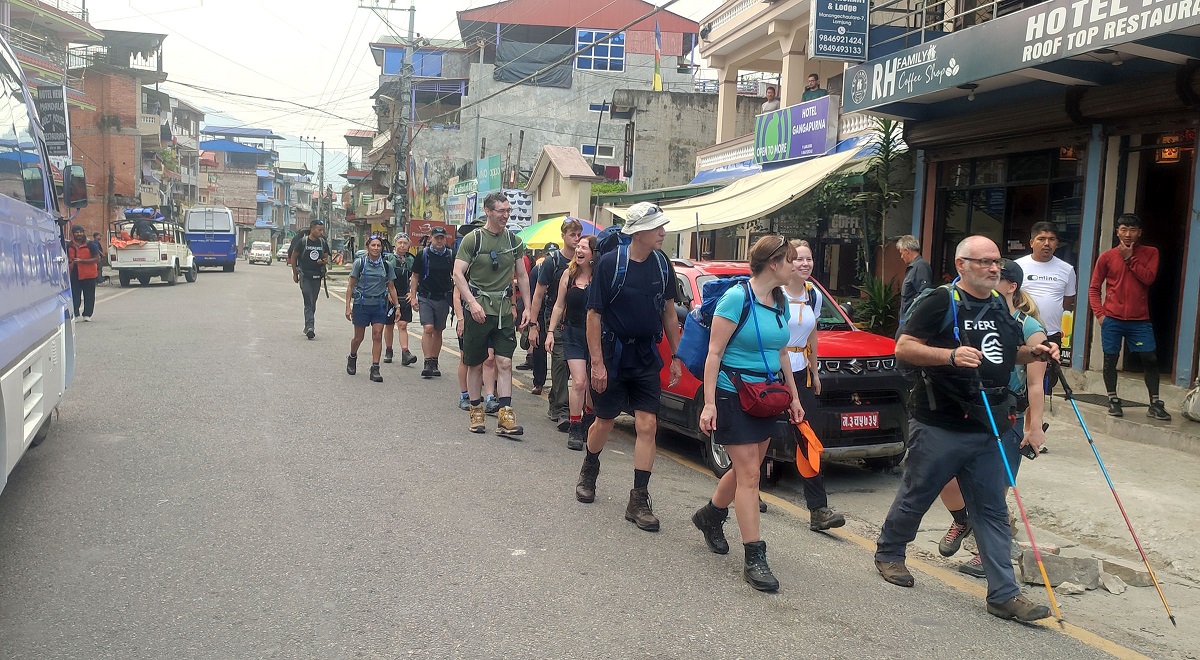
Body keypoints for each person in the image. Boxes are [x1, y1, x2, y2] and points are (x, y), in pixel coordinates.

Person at [875, 235, 1058, 623]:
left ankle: (1004, 594)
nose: (995, 268)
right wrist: (950, 355)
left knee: (990, 508)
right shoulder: (940, 300)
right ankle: (890, 552)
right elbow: (903, 348)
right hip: (940, 419)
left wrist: (1034, 352)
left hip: (989, 421)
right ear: (962, 265)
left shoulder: (998, 305)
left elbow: (1007, 353)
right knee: (917, 493)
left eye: (997, 262)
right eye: (985, 262)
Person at [691, 236, 802, 591]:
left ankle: (710, 516)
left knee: (744, 472)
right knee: (751, 474)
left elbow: (782, 353)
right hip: (732, 393)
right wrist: (709, 404)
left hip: (766, 398)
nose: (796, 266)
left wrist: (794, 398)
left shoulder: (780, 300)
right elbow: (714, 353)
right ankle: (755, 556)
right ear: (773, 263)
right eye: (791, 260)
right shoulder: (737, 298)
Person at [574, 202, 682, 532]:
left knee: (647, 424)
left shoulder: (663, 264)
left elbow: (668, 312)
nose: (663, 231)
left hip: (646, 357)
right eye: (656, 226)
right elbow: (594, 316)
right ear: (637, 231)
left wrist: (677, 356)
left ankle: (638, 499)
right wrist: (597, 363)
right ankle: (590, 466)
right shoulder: (609, 264)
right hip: (613, 355)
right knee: (605, 422)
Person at [938, 259, 1049, 578]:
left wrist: (1034, 428)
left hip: (1009, 416)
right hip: (970, 409)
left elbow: (1034, 384)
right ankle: (962, 520)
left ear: (1011, 286)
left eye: (995, 278)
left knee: (993, 490)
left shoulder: (1029, 327)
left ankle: (989, 556)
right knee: (944, 476)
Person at [453, 192, 531, 437]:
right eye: (501, 211)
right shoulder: (472, 240)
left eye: (508, 211)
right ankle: (476, 411)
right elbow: (457, 274)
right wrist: (472, 304)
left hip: (503, 311)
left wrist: (528, 307)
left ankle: (505, 416)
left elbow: (523, 276)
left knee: (505, 362)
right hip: (478, 310)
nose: (506, 215)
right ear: (488, 211)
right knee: (475, 362)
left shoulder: (514, 241)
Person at [783, 240, 846, 532]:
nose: (805, 264)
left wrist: (815, 372)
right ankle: (746, 490)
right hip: (772, 374)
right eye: (799, 259)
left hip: (801, 374)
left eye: (809, 259)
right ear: (787, 262)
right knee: (760, 436)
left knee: (808, 438)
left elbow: (812, 335)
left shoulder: (813, 295)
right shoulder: (775, 294)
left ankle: (818, 510)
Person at [1088, 213, 1170, 421]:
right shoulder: (1106, 256)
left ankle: (1154, 402)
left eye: (1132, 230)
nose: (1127, 234)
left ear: (1139, 233)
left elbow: (1149, 278)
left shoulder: (1151, 253)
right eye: (1123, 230)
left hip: (1140, 320)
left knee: (1149, 358)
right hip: (1112, 319)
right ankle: (1113, 399)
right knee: (1110, 359)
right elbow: (1094, 288)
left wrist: (1129, 258)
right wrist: (1100, 314)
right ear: (1117, 232)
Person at [545, 235, 598, 450]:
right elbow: (558, 306)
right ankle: (575, 426)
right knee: (579, 382)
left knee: (593, 385)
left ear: (593, 254)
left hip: (595, 337)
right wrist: (550, 331)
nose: (579, 250)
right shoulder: (568, 274)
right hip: (572, 333)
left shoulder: (600, 277)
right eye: (578, 247)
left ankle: (588, 421)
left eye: (584, 247)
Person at [1015, 221, 1076, 401]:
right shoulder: (1017, 267)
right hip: (1021, 333)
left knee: (1045, 382)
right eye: (1041, 239)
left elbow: (1068, 301)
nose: (1047, 243)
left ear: (1057, 243)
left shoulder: (1067, 270)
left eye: (1051, 239)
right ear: (1031, 242)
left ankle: (1036, 423)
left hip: (1051, 333)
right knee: (1021, 382)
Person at [530, 222, 583, 427]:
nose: (576, 238)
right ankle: (561, 408)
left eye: (579, 234)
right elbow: (539, 294)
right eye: (572, 234)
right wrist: (533, 325)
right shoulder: (552, 262)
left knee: (575, 366)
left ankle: (558, 400)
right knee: (560, 361)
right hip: (556, 316)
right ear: (563, 236)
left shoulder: (586, 262)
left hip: (579, 319)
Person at [345, 236, 400, 383]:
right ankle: (352, 356)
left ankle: (375, 368)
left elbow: (391, 287)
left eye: (378, 246)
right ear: (368, 247)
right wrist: (347, 307)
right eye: (373, 245)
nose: (376, 248)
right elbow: (350, 285)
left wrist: (397, 306)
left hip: (379, 305)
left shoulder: (387, 265)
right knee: (359, 337)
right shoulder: (360, 263)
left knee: (377, 335)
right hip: (362, 305)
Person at [411, 226, 455, 378]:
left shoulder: (450, 255)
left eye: (442, 237)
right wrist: (412, 296)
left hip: (442, 298)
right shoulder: (423, 255)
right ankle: (427, 361)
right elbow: (415, 276)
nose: (439, 240)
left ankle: (435, 361)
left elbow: (456, 275)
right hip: (425, 296)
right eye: (436, 238)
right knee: (428, 328)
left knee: (438, 330)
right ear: (431, 238)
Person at [289, 220, 332, 340]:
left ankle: (308, 324)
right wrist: (295, 273)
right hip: (305, 276)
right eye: (319, 230)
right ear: (312, 229)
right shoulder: (303, 242)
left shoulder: (322, 243)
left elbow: (326, 258)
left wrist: (322, 262)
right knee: (308, 300)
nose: (321, 232)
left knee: (313, 301)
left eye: (322, 230)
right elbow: (294, 256)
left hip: (317, 276)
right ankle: (310, 327)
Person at [384, 234, 418, 366]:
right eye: (400, 243)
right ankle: (388, 350)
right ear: (395, 244)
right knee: (390, 325)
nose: (402, 245)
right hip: (390, 296)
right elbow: (382, 277)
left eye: (405, 243)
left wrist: (413, 293)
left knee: (403, 325)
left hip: (405, 296)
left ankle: (405, 352)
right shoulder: (388, 259)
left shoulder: (411, 260)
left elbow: (415, 277)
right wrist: (387, 293)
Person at [67, 225, 100, 321]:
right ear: (73, 234)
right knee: (74, 295)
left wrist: (82, 261)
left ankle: (87, 315)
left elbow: (97, 258)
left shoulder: (90, 245)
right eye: (77, 232)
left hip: (89, 274)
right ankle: (75, 314)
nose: (79, 234)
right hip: (74, 274)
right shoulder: (69, 246)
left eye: (80, 232)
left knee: (89, 296)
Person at [897, 235, 933, 317]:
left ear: (907, 251)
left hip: (911, 319)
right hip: (906, 317)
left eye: (901, 253)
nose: (901, 257)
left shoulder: (921, 266)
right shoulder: (914, 267)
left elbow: (923, 295)